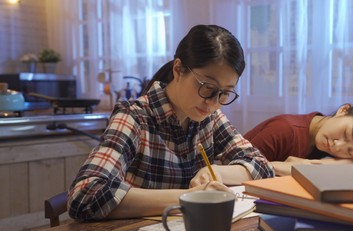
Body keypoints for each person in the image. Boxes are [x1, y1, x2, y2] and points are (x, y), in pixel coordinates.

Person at [68, 25, 274, 220]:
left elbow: (262, 167)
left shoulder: (209, 118)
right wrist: (191, 198)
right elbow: (85, 194)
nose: (213, 102)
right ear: (178, 69)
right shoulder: (135, 117)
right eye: (207, 87)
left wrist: (216, 171)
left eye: (225, 93)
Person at [244, 103, 353, 176]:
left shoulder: (328, 145)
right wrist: (274, 167)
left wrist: (308, 166)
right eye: (346, 133)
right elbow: (240, 168)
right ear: (343, 110)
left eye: (351, 152)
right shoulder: (284, 130)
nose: (338, 146)